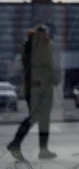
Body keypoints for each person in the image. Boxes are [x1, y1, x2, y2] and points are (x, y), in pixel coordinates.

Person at [7, 25, 58, 161]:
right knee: (35, 116)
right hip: (36, 87)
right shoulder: (33, 45)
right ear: (38, 34)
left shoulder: (45, 45)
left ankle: (43, 149)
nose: (46, 35)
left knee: (43, 118)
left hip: (44, 86)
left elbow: (49, 65)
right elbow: (30, 67)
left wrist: (53, 77)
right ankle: (15, 143)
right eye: (43, 33)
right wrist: (38, 82)